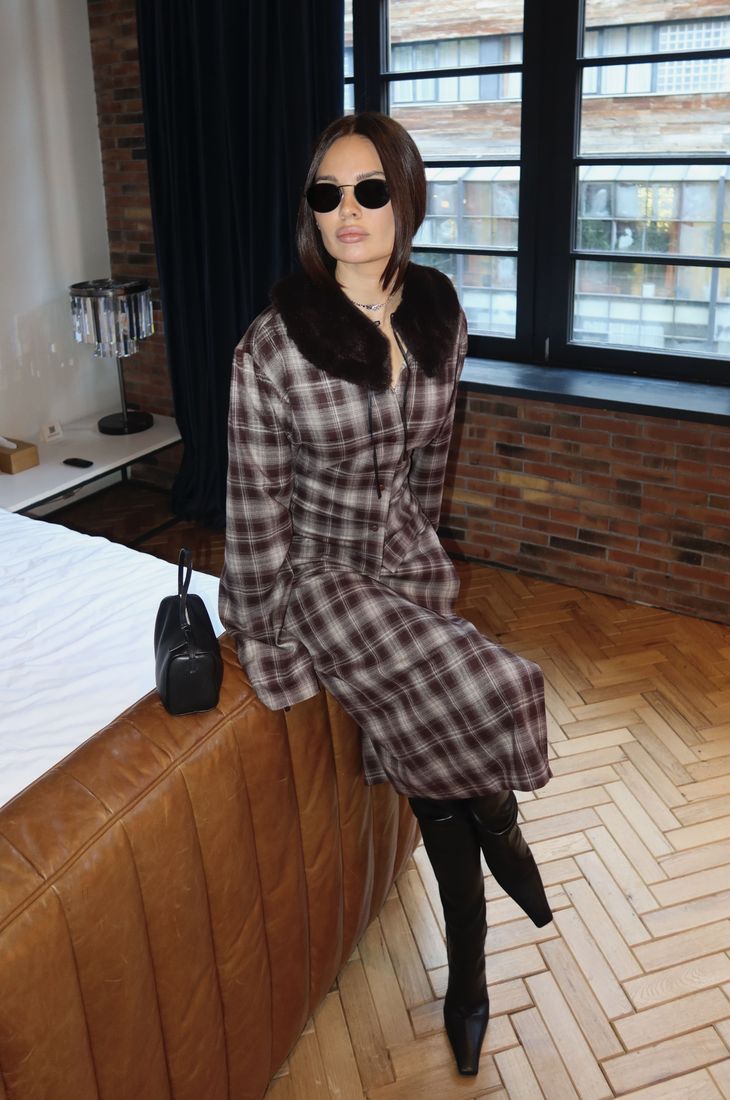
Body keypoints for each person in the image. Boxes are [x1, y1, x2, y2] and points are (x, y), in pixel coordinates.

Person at [219, 111, 552, 1077]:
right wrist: (267, 641)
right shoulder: (273, 346)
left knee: (430, 774)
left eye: (368, 189)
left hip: (402, 555)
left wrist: (425, 555)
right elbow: (253, 508)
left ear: (405, 196)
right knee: (494, 683)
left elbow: (430, 465)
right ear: (310, 210)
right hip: (318, 572)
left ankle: (468, 975)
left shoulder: (438, 317)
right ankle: (503, 823)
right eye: (326, 193)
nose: (347, 211)